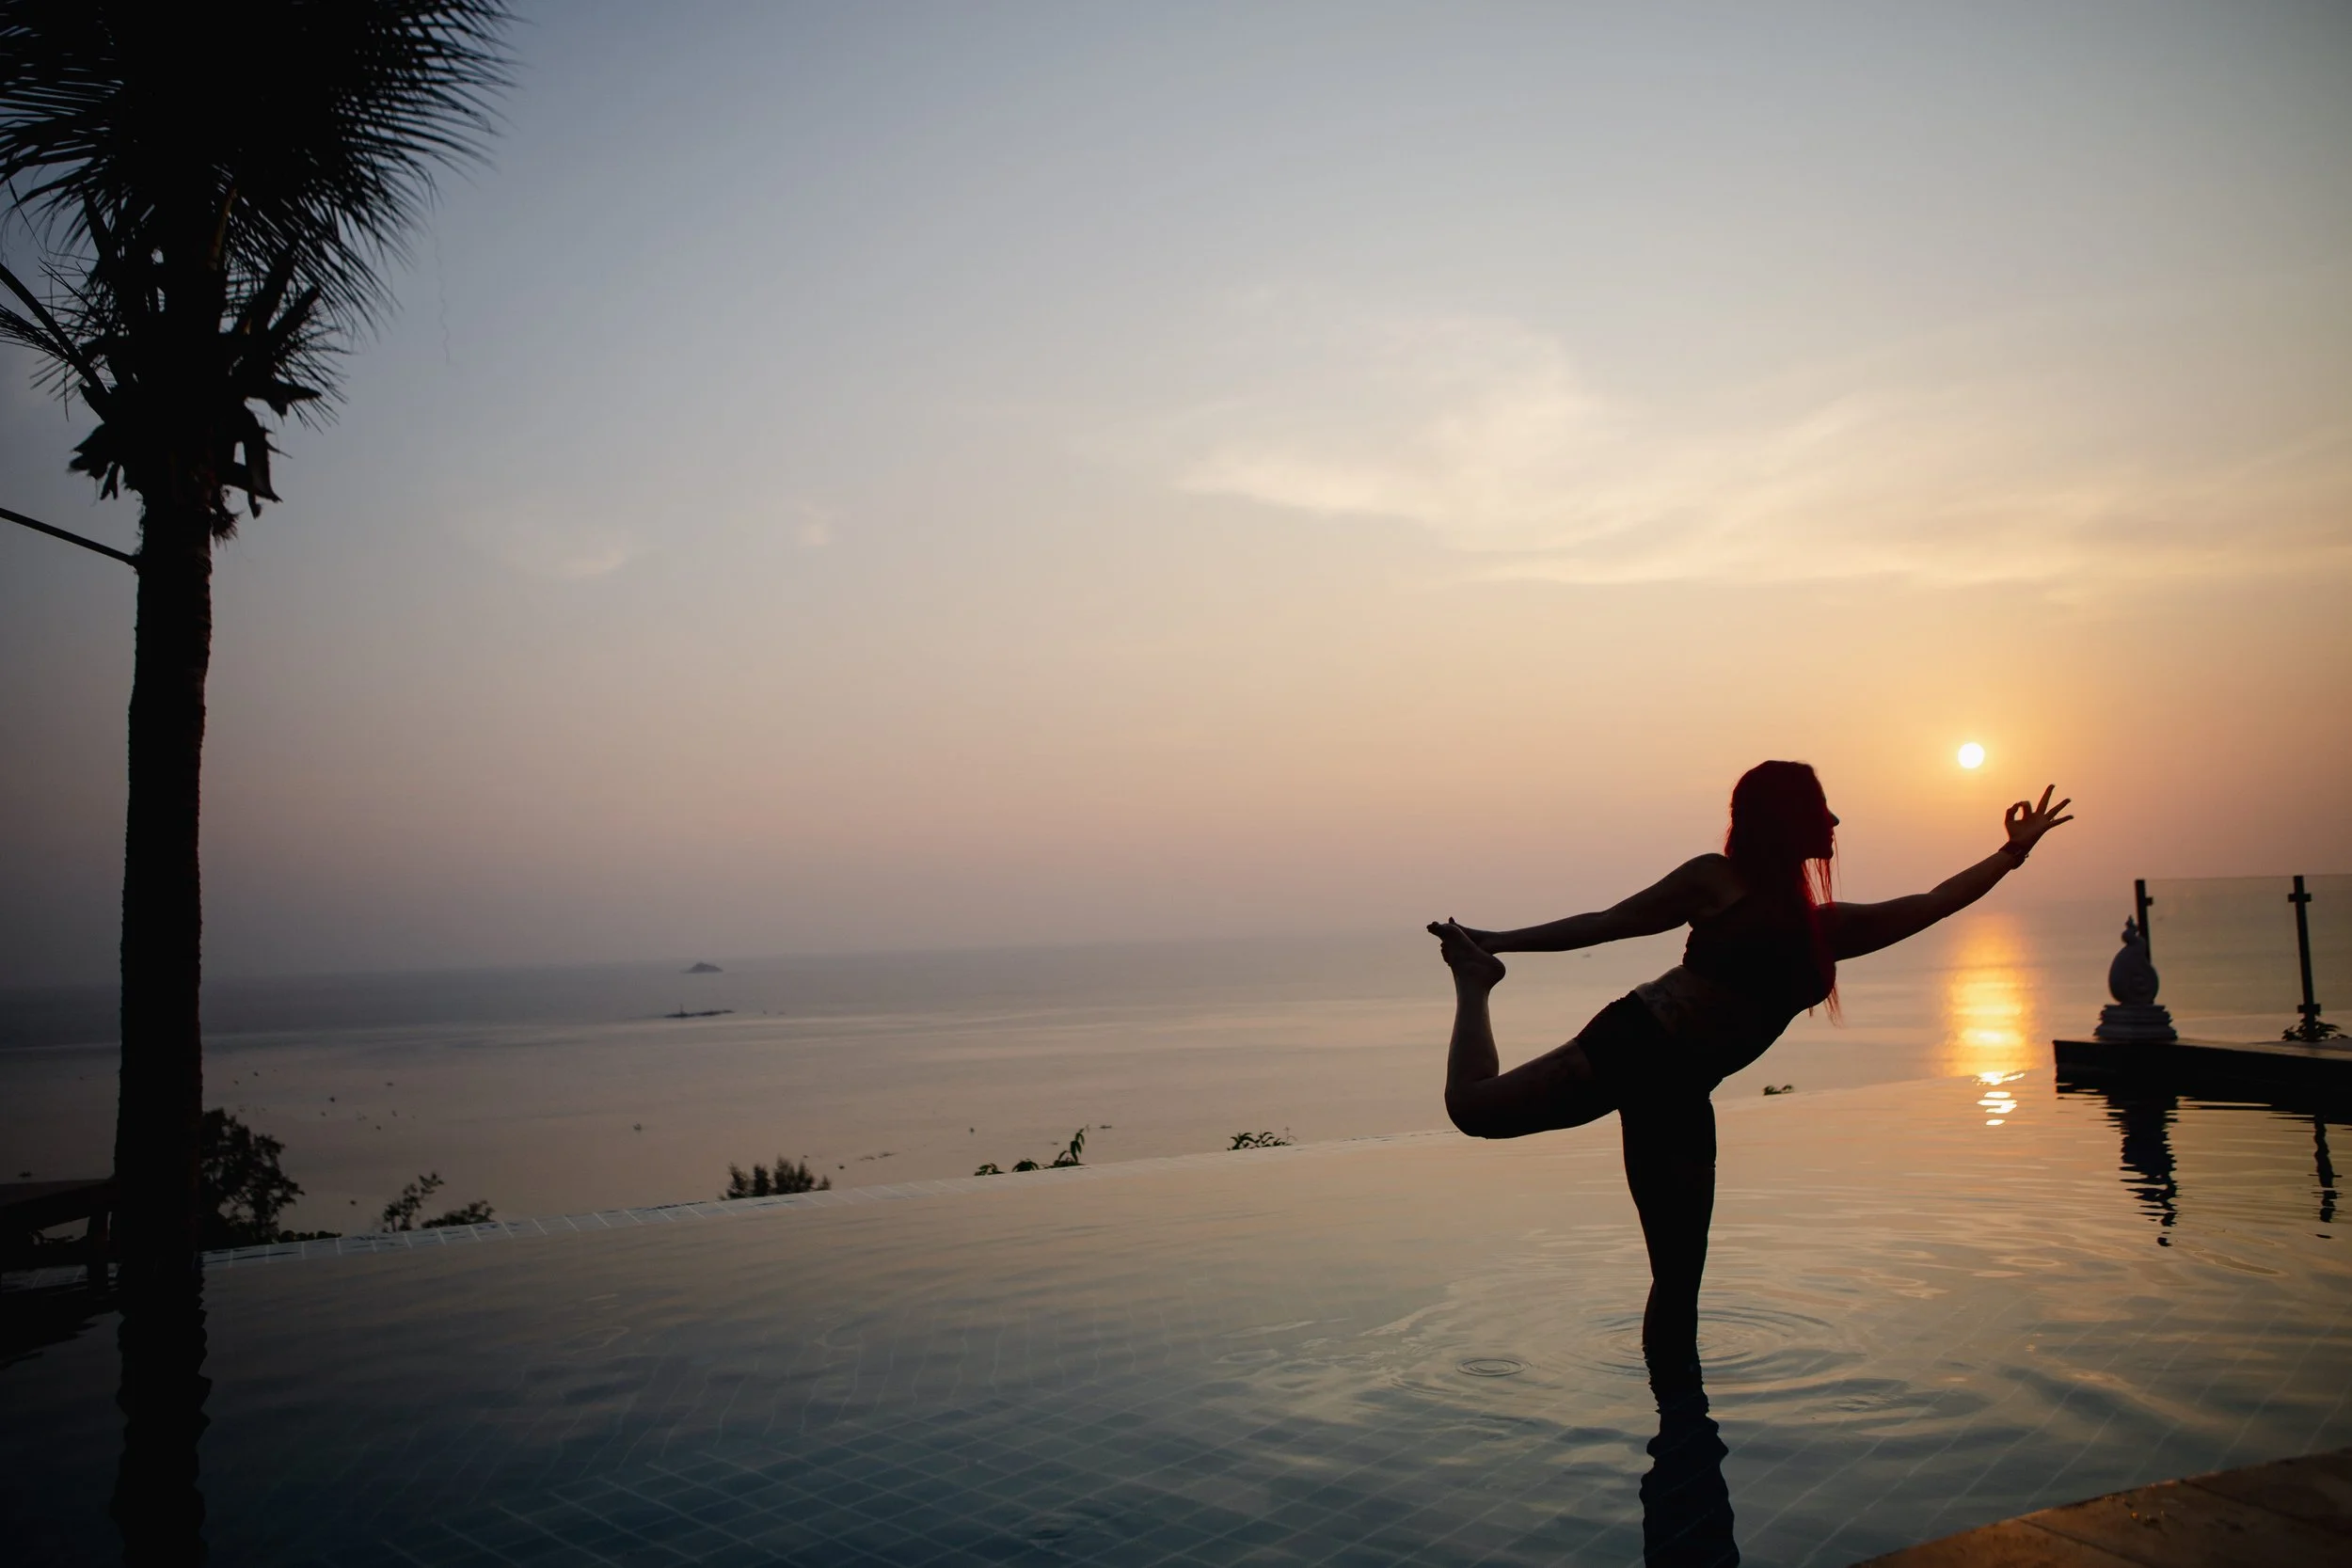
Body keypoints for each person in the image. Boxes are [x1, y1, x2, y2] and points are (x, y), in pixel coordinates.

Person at [1429, 761, 2073, 1367]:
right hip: (1635, 1043)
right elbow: (1611, 922)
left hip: (1682, 1093)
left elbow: (1935, 902)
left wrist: (2013, 851)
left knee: (1679, 1280)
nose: (1836, 822)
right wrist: (1498, 940)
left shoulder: (1829, 930)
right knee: (1473, 1108)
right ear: (1786, 819)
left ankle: (1680, 1427)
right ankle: (1476, 980)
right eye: (1822, 808)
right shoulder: (1716, 880)